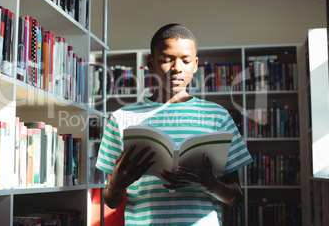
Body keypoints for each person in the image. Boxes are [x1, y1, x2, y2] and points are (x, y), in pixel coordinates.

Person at [96, 23, 253, 225]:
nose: (177, 68)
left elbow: (236, 197)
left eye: (186, 61)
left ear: (195, 65)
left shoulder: (218, 116)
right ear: (151, 63)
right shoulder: (121, 118)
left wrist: (210, 184)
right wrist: (117, 185)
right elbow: (110, 201)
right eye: (166, 60)